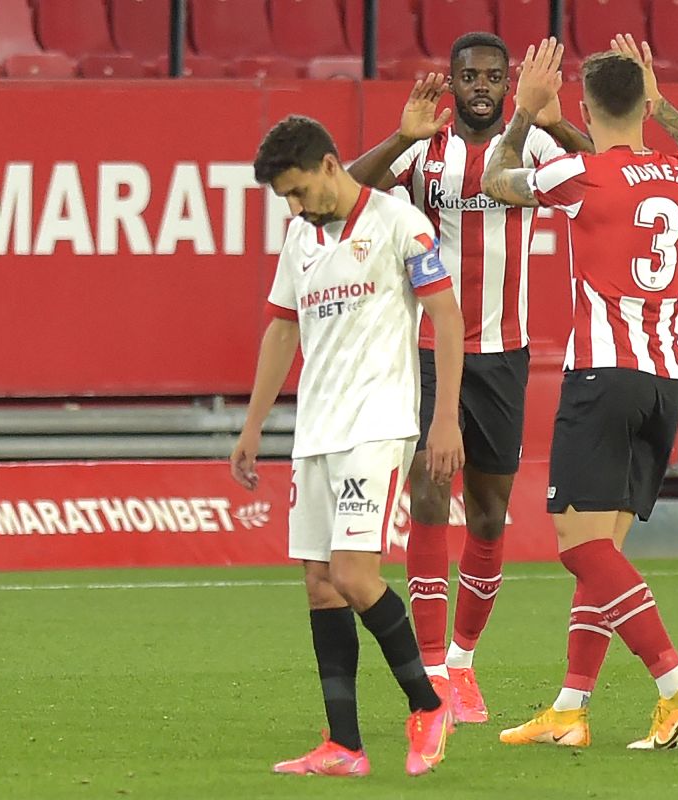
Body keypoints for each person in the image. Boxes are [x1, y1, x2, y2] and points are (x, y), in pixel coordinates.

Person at [480, 35, 678, 750]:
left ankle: (676, 685)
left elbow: (499, 178)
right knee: (606, 549)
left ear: (586, 108)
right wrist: (669, 107)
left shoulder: (581, 176)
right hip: (665, 383)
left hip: (604, 378)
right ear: (643, 102)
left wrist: (527, 113)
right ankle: (570, 708)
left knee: (577, 547)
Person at [347, 31, 594, 723]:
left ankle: (462, 665)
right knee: (429, 495)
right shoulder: (427, 148)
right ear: (451, 82)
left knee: (487, 514)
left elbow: (612, 174)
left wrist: (555, 120)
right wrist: (399, 138)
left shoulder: (533, 147)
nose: (480, 85)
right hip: (424, 349)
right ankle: (429, 672)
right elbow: (348, 191)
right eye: (469, 75)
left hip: (504, 357)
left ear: (508, 82)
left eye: (492, 75)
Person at [230, 115, 466, 777]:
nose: (296, 205)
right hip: (316, 431)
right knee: (319, 585)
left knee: (354, 575)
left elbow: (446, 317)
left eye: (300, 190)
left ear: (332, 165)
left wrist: (443, 417)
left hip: (378, 420)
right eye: (285, 197)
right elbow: (281, 332)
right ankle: (344, 746)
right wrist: (253, 426)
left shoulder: (398, 223)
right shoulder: (300, 241)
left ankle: (428, 703)